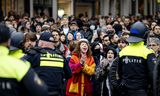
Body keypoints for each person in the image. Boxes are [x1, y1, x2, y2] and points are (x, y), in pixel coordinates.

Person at [0, 23, 48, 96]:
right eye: (27, 41)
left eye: (32, 41)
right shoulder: (20, 65)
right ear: (9, 41)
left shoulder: (37, 54)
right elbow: (41, 91)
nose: (29, 43)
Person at [110, 21, 156, 96]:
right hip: (142, 91)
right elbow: (153, 75)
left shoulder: (123, 52)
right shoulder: (148, 53)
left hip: (125, 91)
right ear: (144, 36)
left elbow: (119, 72)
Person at [24, 32, 72, 96]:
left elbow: (19, 68)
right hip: (57, 93)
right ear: (52, 43)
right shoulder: (61, 56)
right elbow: (69, 75)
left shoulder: (33, 54)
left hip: (39, 92)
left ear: (41, 42)